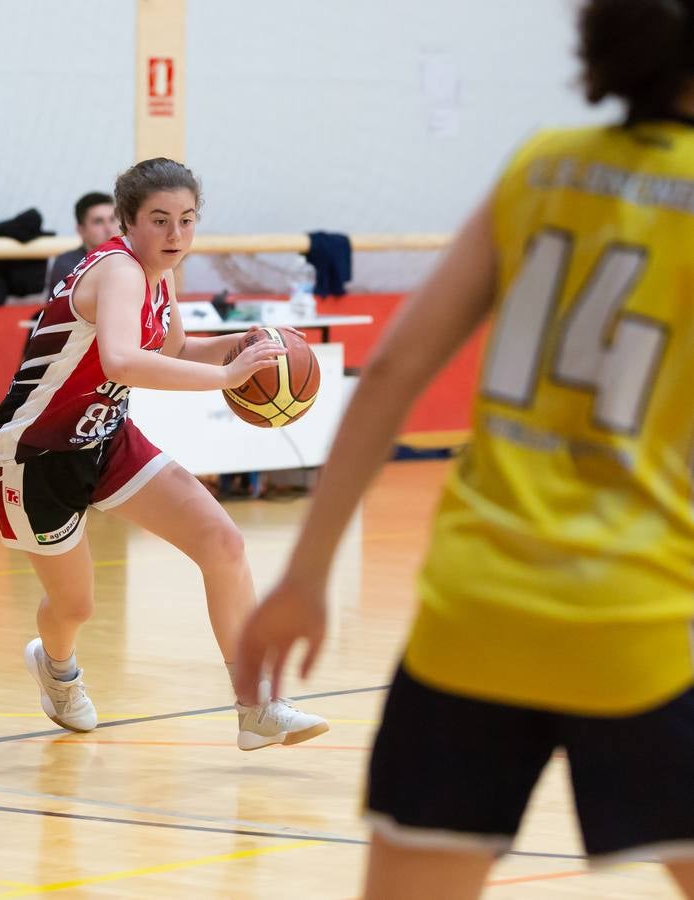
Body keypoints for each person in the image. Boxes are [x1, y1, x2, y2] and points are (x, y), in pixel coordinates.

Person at [234, 1, 694, 895]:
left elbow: (398, 367)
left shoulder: (543, 166)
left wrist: (304, 576)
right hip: (646, 626)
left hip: (474, 617)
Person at [0, 157, 328, 749]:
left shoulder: (158, 273)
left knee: (223, 544)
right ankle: (57, 670)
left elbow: (172, 346)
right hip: (35, 453)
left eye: (187, 221)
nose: (175, 236)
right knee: (75, 605)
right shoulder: (118, 271)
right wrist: (226, 379)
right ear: (127, 223)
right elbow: (120, 360)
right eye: (160, 221)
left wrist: (240, 346)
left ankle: (257, 707)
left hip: (106, 435)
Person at [44, 191, 118, 295]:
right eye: (98, 221)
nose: (109, 229)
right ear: (81, 230)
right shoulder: (67, 264)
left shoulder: (131, 256)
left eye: (112, 219)